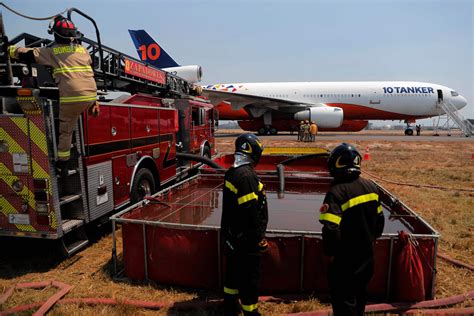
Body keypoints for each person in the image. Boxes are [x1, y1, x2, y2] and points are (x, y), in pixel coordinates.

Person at [9, 15, 98, 177]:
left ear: (55, 35)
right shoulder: (83, 50)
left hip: (72, 98)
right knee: (75, 119)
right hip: (91, 96)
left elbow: (28, 54)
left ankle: (62, 164)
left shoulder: (51, 51)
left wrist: (9, 50)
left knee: (65, 130)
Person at [319, 143, 385, 316]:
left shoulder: (336, 192)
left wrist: (330, 252)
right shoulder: (372, 187)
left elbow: (331, 229)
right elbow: (379, 223)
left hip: (345, 261)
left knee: (344, 302)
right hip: (367, 257)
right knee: (360, 297)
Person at [221, 133, 269, 316]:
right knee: (250, 280)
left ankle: (230, 308)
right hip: (247, 242)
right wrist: (258, 239)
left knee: (232, 276)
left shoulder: (232, 173)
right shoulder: (247, 177)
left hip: (232, 237)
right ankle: (251, 312)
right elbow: (251, 212)